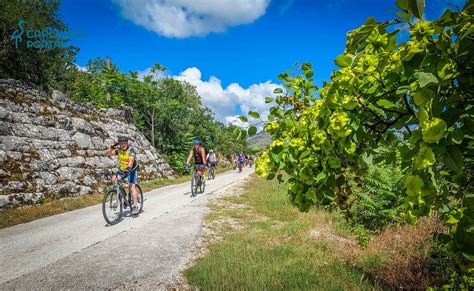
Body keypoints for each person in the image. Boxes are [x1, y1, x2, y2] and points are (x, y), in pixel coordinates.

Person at [106, 136, 140, 215]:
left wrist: (128, 168)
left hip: (131, 169)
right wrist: (112, 147)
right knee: (114, 179)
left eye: (124, 143)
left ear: (127, 143)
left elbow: (131, 161)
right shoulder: (119, 150)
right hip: (122, 169)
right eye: (121, 144)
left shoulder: (131, 150)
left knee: (131, 187)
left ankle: (135, 206)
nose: (123, 145)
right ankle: (123, 195)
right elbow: (108, 153)